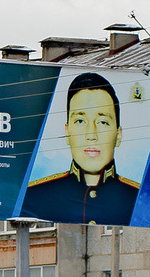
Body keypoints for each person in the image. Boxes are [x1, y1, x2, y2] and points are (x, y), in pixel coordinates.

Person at [22, 71, 139, 225]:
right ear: (67, 132)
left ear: (118, 135)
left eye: (102, 122)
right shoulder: (32, 196)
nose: (91, 135)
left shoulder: (138, 199)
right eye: (80, 121)